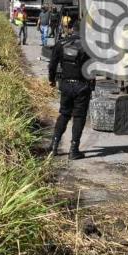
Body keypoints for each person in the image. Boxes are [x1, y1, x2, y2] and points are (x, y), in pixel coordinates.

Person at [48, 21, 93, 160]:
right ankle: (74, 150)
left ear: (72, 29)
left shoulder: (60, 44)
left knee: (64, 114)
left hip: (66, 84)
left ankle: (54, 146)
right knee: (79, 117)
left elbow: (52, 65)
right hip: (82, 86)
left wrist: (51, 80)